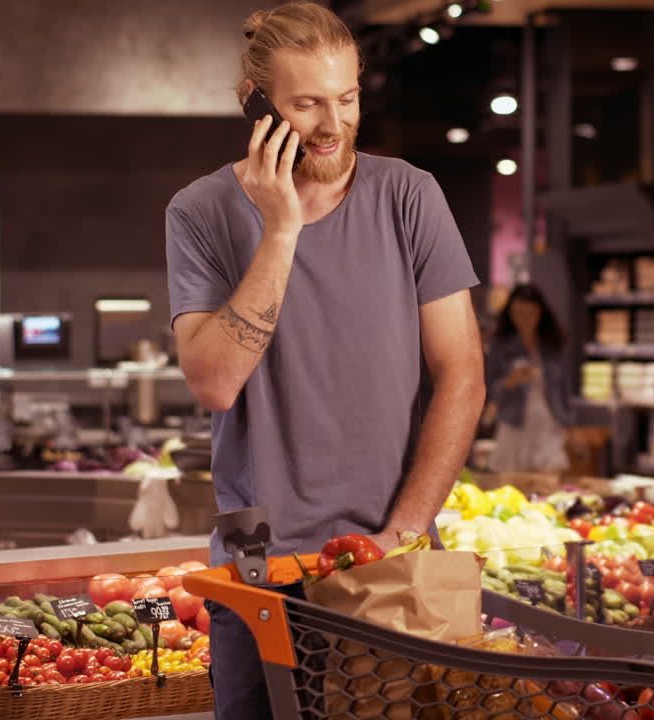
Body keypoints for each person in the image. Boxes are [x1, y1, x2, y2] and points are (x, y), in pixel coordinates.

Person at [164, 4, 484, 718]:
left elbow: (462, 374)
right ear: (255, 102)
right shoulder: (200, 212)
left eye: (347, 98)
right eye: (306, 104)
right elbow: (214, 383)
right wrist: (281, 230)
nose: (333, 124)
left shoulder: (409, 195)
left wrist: (402, 533)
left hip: (390, 565)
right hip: (258, 573)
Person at [485, 284, 573, 473]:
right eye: (518, 313)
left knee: (547, 478)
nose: (524, 319)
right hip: (514, 421)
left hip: (548, 420)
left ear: (540, 313)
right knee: (512, 480)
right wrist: (510, 381)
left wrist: (569, 423)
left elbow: (564, 388)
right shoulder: (501, 345)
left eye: (530, 313)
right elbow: (489, 388)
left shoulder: (552, 345)